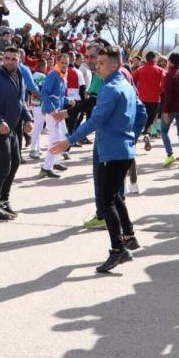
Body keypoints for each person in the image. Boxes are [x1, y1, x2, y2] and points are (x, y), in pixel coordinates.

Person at [50, 45, 146, 273]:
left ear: (115, 64)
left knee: (105, 202)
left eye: (102, 63)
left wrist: (69, 140)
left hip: (111, 152)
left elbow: (95, 120)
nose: (97, 66)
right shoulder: (126, 85)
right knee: (115, 196)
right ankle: (129, 235)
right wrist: (131, 137)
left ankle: (118, 249)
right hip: (123, 151)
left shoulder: (110, 88)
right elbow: (142, 113)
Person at [0, 47, 33, 221]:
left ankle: (3, 200)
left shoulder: (20, 75)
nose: (9, 62)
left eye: (13, 59)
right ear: (3, 59)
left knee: (14, 163)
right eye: (7, 58)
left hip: (13, 128)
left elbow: (20, 102)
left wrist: (28, 119)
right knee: (3, 166)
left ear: (19, 60)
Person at [39, 53, 74, 178]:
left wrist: (68, 100)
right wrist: (52, 110)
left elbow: (59, 96)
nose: (64, 65)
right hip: (52, 112)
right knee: (55, 139)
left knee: (64, 136)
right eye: (62, 62)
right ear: (57, 62)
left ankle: (55, 162)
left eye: (66, 63)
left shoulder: (62, 76)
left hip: (58, 112)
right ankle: (46, 168)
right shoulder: (53, 75)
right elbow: (44, 93)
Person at [160, 52, 179, 168]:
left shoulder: (170, 74)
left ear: (170, 61)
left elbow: (168, 94)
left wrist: (165, 111)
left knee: (164, 131)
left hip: (171, 108)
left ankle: (170, 154)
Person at [131, 51, 165, 151]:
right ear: (154, 59)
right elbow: (164, 84)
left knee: (140, 118)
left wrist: (135, 92)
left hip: (141, 98)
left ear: (146, 59)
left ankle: (136, 138)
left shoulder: (140, 69)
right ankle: (147, 133)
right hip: (155, 99)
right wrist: (159, 92)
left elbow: (131, 80)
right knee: (151, 119)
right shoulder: (160, 70)